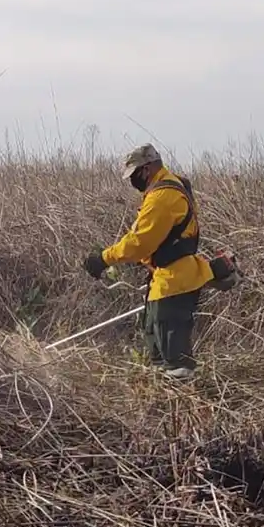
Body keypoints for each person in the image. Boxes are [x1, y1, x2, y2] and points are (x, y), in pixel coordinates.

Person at [84, 143, 215, 379]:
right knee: (158, 354)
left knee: (176, 363)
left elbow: (139, 243)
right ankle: (164, 405)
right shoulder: (170, 188)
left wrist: (104, 259)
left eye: (134, 175)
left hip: (174, 284)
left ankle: (182, 408)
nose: (133, 181)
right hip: (165, 281)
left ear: (146, 169)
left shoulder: (163, 197)